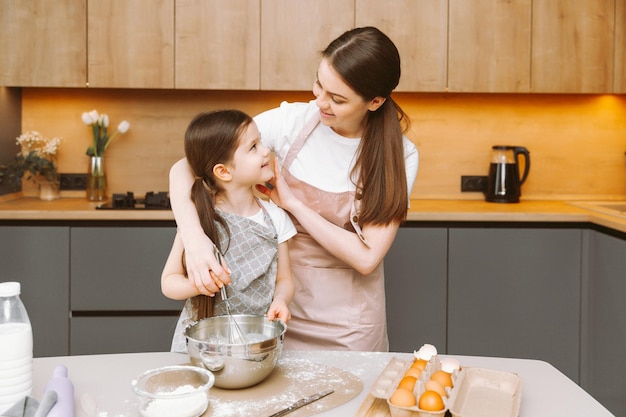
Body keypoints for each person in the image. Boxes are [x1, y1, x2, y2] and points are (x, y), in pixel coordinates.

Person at [169, 27, 419, 351]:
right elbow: (185, 167)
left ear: (374, 101)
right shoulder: (291, 122)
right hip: (276, 307)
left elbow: (366, 257)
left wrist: (294, 205)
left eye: (337, 99)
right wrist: (195, 239)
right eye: (319, 84)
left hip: (350, 323)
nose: (320, 102)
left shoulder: (399, 154)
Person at [162, 110, 296, 352]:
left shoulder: (275, 217)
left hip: (255, 343)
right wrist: (201, 285)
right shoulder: (198, 218)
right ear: (223, 171)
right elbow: (169, 283)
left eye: (261, 141)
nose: (266, 150)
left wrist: (281, 300)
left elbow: (284, 279)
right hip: (200, 346)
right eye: (253, 147)